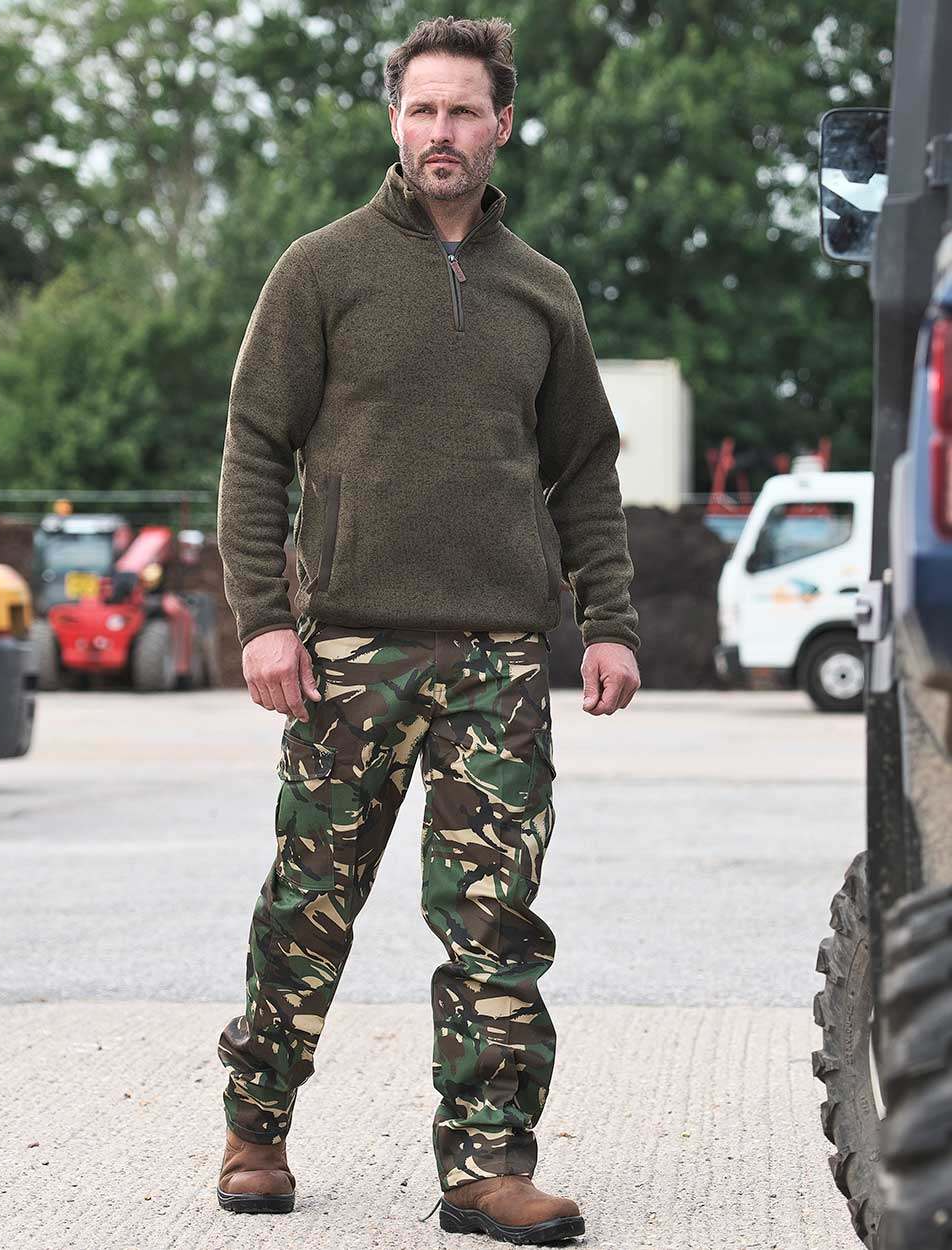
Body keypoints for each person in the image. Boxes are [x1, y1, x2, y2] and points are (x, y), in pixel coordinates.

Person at [213, 14, 640, 1244]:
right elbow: (254, 447)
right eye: (420, 111)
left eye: (463, 111)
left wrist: (606, 621)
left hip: (500, 659)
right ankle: (256, 1123)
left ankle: (487, 1163)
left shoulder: (541, 290)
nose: (439, 132)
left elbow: (585, 473)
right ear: (393, 122)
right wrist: (263, 619)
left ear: (500, 123)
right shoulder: (322, 269)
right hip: (347, 651)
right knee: (310, 900)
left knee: (495, 919)